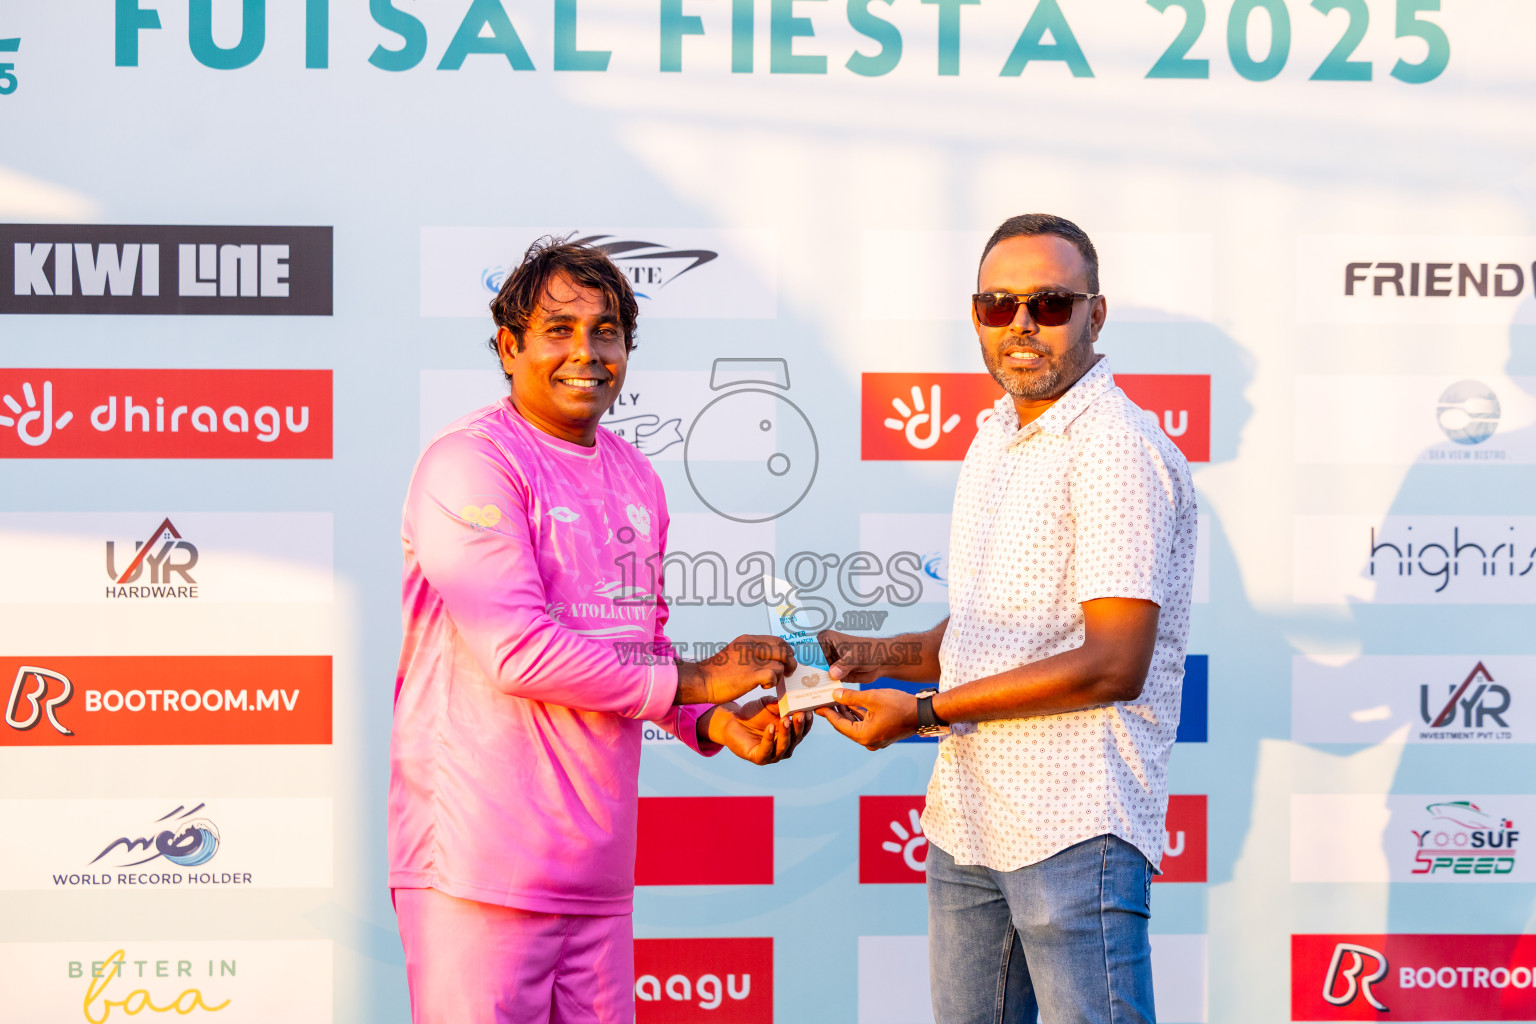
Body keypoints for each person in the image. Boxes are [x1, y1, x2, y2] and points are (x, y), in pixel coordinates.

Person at [389, 237, 811, 1024]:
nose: (587, 351)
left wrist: (715, 719)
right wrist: (699, 680)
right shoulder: (469, 464)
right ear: (510, 348)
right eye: (559, 329)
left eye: (607, 331)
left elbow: (638, 647)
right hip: (477, 869)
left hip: (597, 875)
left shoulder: (635, 475)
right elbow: (517, 652)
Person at [817, 214, 1198, 1024]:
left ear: (1096, 315)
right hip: (969, 821)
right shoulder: (994, 436)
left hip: (1074, 829)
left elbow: (1113, 662)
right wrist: (861, 653)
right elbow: (990, 636)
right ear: (977, 316)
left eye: (1050, 303)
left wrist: (920, 712)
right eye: (999, 305)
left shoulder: (1115, 448)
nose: (1022, 324)